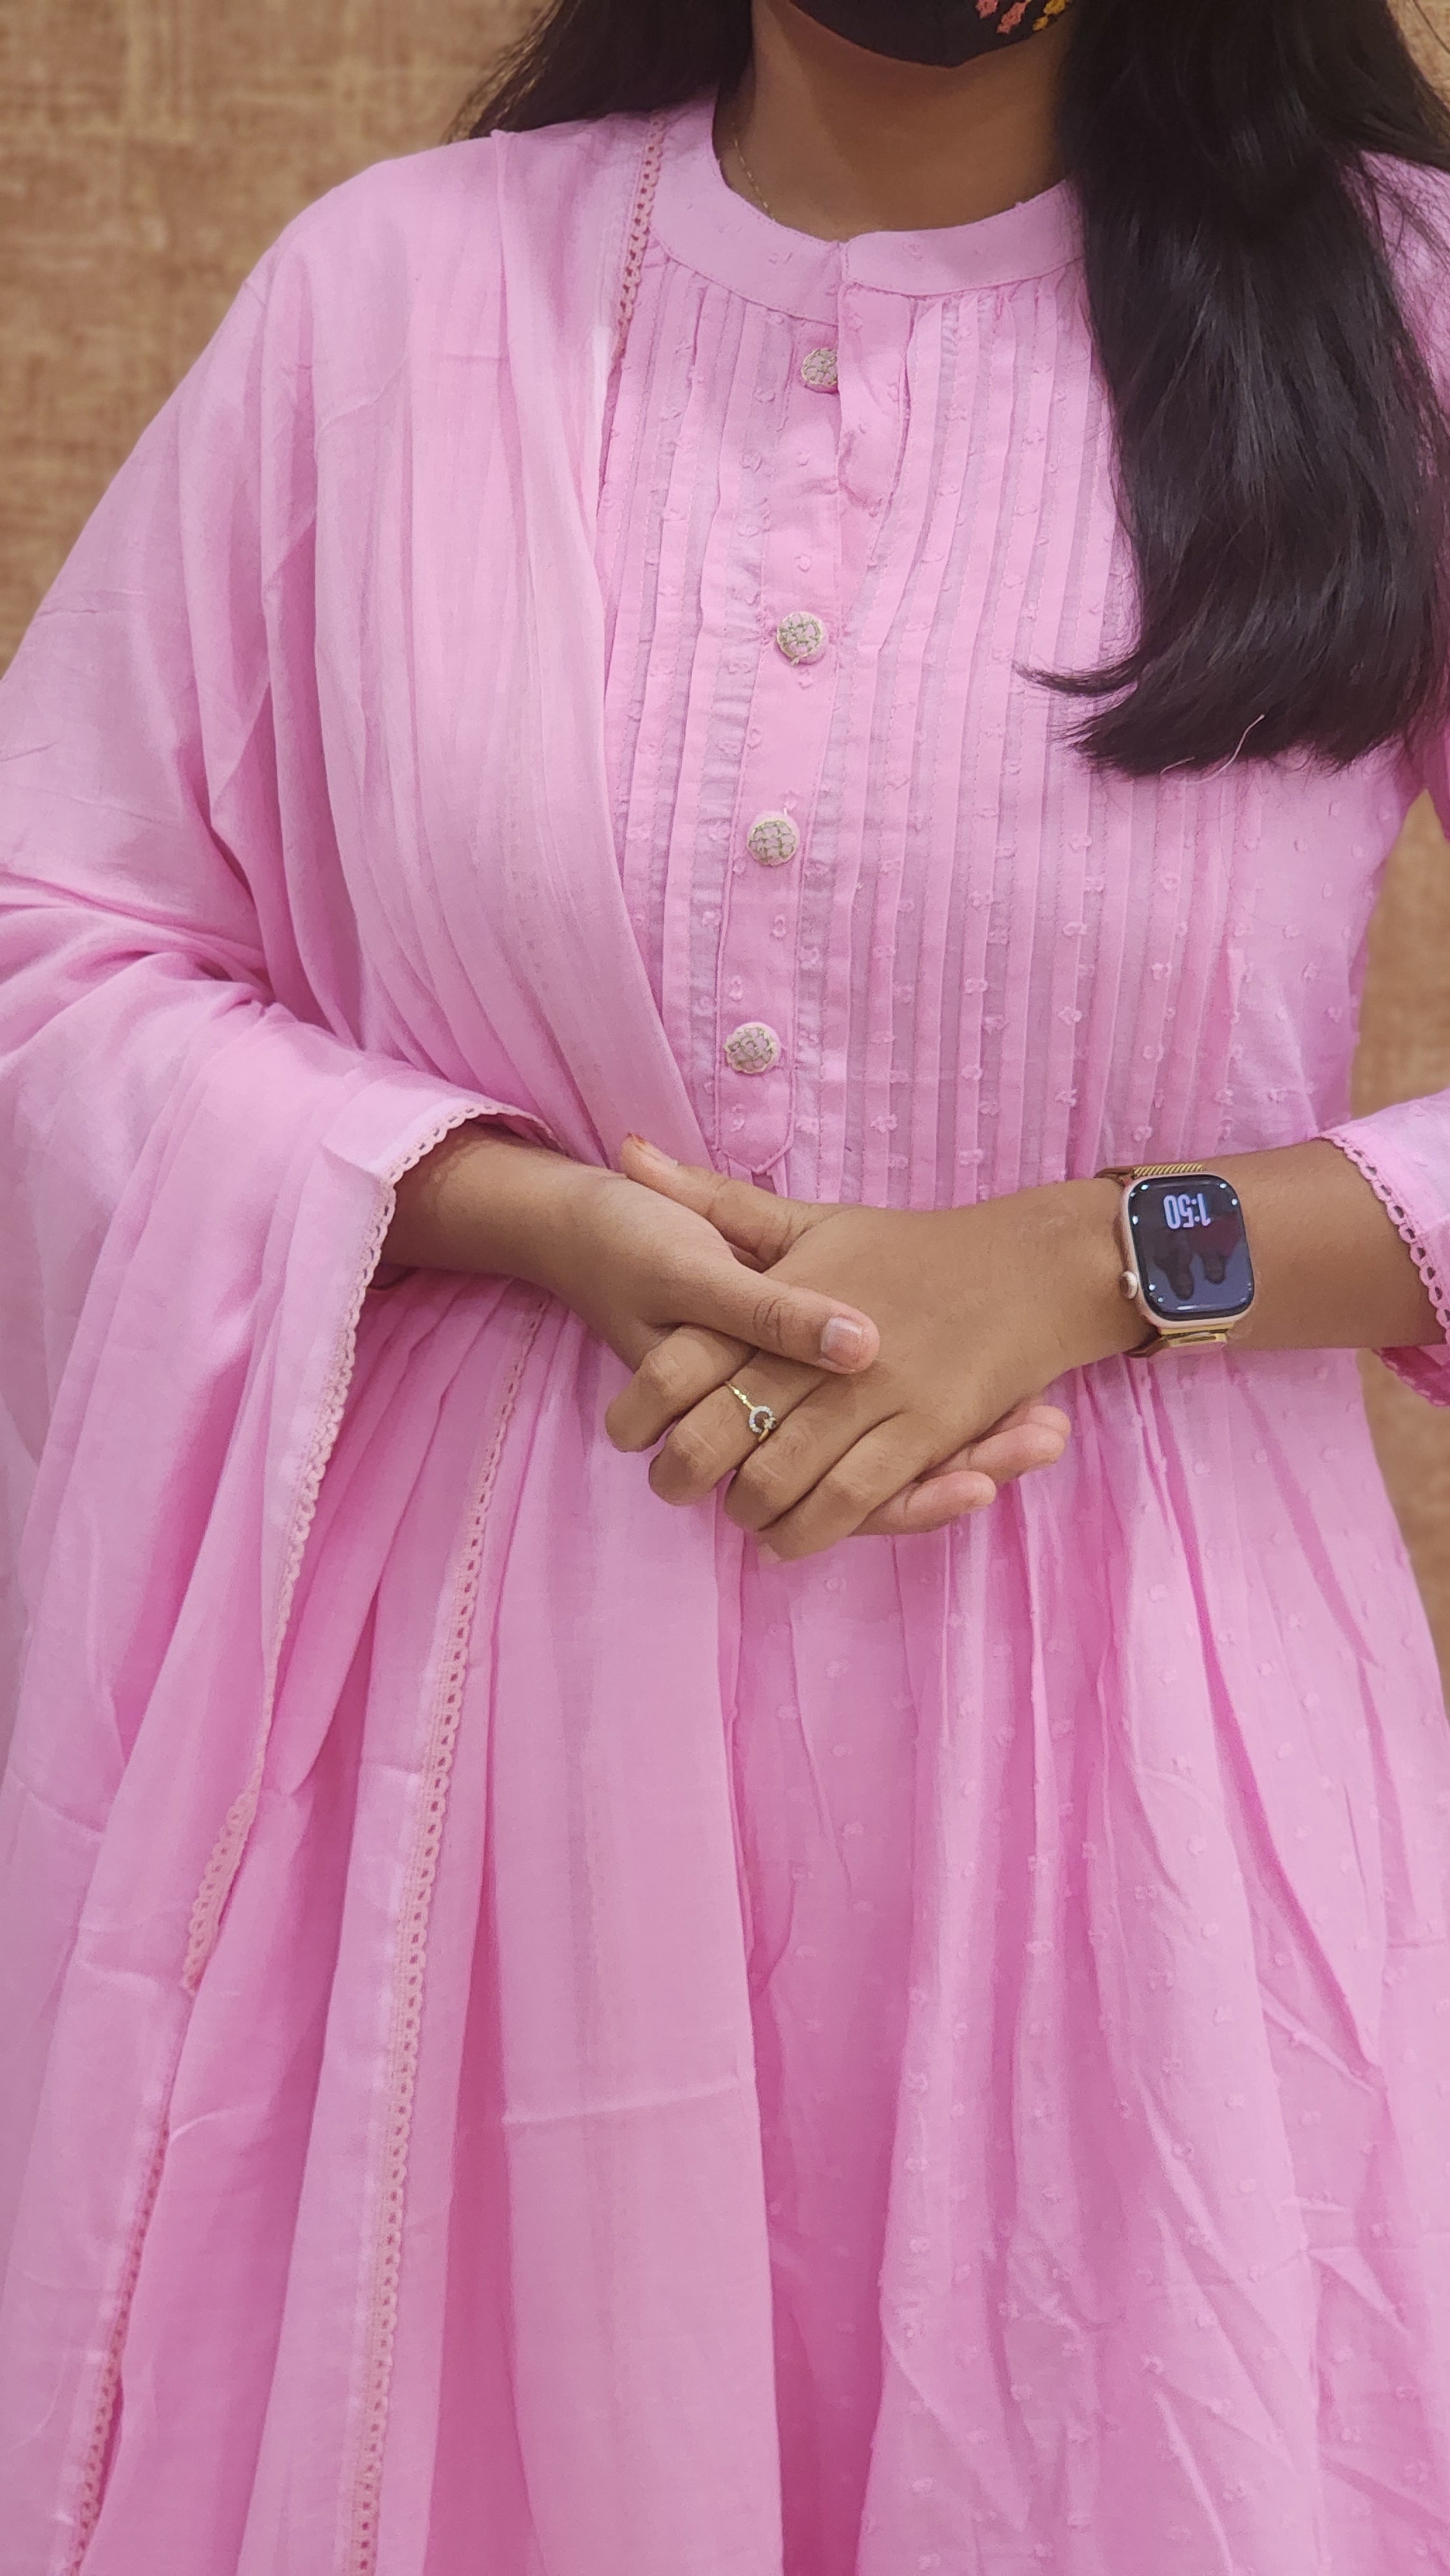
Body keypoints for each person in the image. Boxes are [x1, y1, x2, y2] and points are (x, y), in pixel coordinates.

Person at [5, 0, 1450, 2564]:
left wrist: (1104, 1259)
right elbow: (52, 944)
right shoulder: (399, 302)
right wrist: (511, 1204)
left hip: (1143, 1802)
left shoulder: (1391, 311)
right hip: (478, 1786)